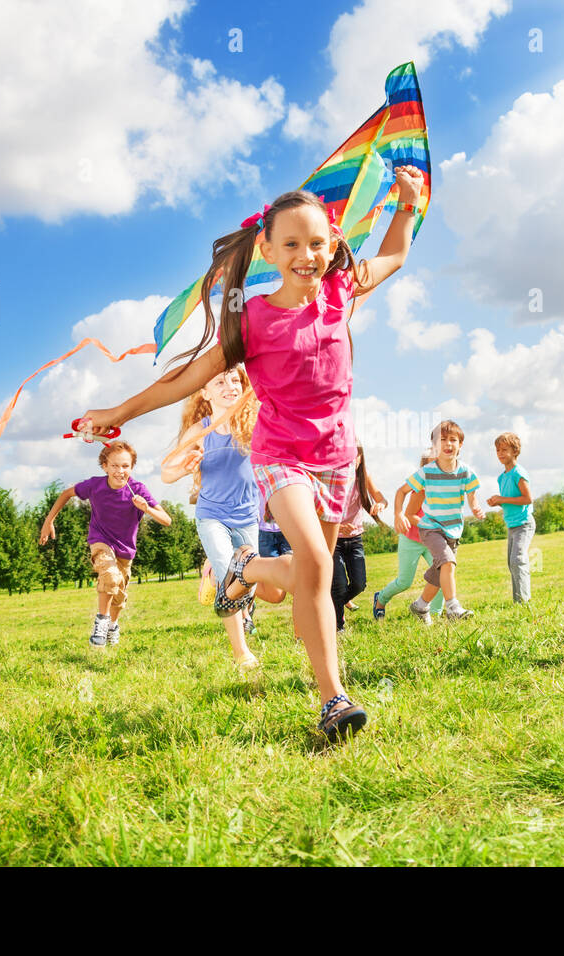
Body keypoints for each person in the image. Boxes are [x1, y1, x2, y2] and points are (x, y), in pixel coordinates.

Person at [78, 165, 426, 740]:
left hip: (336, 458)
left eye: (317, 243)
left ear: (333, 244)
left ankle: (247, 568)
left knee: (320, 578)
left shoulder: (341, 294)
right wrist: (119, 413)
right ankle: (334, 700)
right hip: (281, 456)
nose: (306, 255)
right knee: (315, 563)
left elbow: (394, 256)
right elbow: (183, 380)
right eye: (291, 244)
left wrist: (407, 206)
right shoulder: (252, 319)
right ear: (266, 248)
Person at [162, 366, 279, 669]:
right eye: (219, 381)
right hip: (212, 515)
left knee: (246, 585)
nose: (229, 385)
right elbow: (166, 472)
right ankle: (242, 653)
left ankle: (212, 574)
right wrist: (185, 467)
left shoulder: (254, 423)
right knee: (232, 578)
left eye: (235, 380)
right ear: (205, 392)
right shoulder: (200, 431)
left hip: (247, 517)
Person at [39, 440, 172, 648]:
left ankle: (113, 625)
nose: (120, 471)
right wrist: (49, 521)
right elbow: (66, 494)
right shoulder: (95, 485)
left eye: (125, 466)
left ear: (132, 467)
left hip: (125, 550)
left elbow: (167, 520)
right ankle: (101, 622)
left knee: (119, 595)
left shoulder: (137, 489)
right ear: (105, 466)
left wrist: (147, 509)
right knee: (110, 575)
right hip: (100, 541)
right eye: (115, 466)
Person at [403, 420, 484, 624]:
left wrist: (475, 507)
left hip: (453, 531)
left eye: (452, 440)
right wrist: (428, 526)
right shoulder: (425, 480)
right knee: (447, 563)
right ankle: (453, 607)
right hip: (432, 530)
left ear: (460, 445)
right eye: (442, 441)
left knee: (439, 573)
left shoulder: (463, 472)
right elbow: (410, 513)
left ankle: (420, 605)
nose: (447, 445)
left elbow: (472, 494)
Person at [371, 453, 445, 621]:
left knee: (441, 576)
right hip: (411, 539)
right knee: (404, 581)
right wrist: (433, 526)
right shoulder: (421, 490)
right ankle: (380, 599)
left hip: (430, 540)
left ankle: (435, 615)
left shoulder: (443, 491)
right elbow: (410, 515)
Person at [331, 444, 387, 633]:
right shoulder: (331, 479)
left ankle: (334, 603)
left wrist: (380, 504)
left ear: (360, 458)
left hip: (355, 539)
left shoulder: (363, 477)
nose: (350, 461)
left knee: (359, 584)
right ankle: (338, 626)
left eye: (355, 457)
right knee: (338, 585)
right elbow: (318, 511)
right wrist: (337, 526)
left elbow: (381, 498)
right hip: (333, 540)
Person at [487, 432, 535, 603]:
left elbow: (527, 499)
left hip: (524, 523)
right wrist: (497, 502)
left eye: (504, 449)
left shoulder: (518, 473)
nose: (500, 453)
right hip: (512, 524)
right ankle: (518, 601)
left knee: (517, 560)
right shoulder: (502, 477)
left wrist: (502, 499)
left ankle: (524, 601)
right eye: (498, 450)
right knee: (511, 563)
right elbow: (511, 499)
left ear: (515, 451)